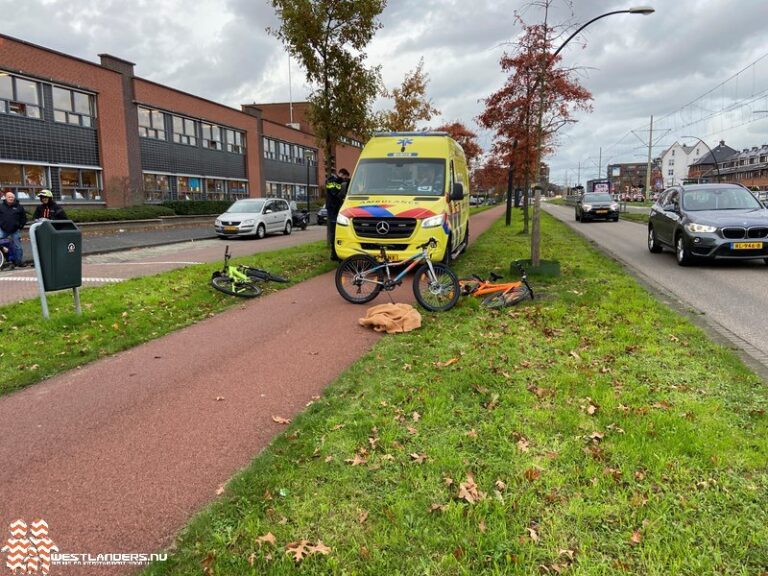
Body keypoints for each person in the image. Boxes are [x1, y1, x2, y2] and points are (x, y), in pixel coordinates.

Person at [325, 168, 350, 261]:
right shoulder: (331, 180)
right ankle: (334, 254)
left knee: (337, 231)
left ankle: (336, 254)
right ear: (341, 174)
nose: (345, 179)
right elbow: (335, 193)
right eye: (344, 177)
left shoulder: (338, 181)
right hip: (333, 210)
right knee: (334, 231)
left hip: (337, 209)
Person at [0, 191, 27, 267]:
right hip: (3, 229)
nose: (11, 198)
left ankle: (18, 262)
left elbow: (24, 218)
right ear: (5, 198)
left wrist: (20, 226)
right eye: (9, 197)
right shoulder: (1, 206)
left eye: (12, 197)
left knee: (18, 246)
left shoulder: (19, 207)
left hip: (15, 230)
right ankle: (7, 258)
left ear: (14, 198)